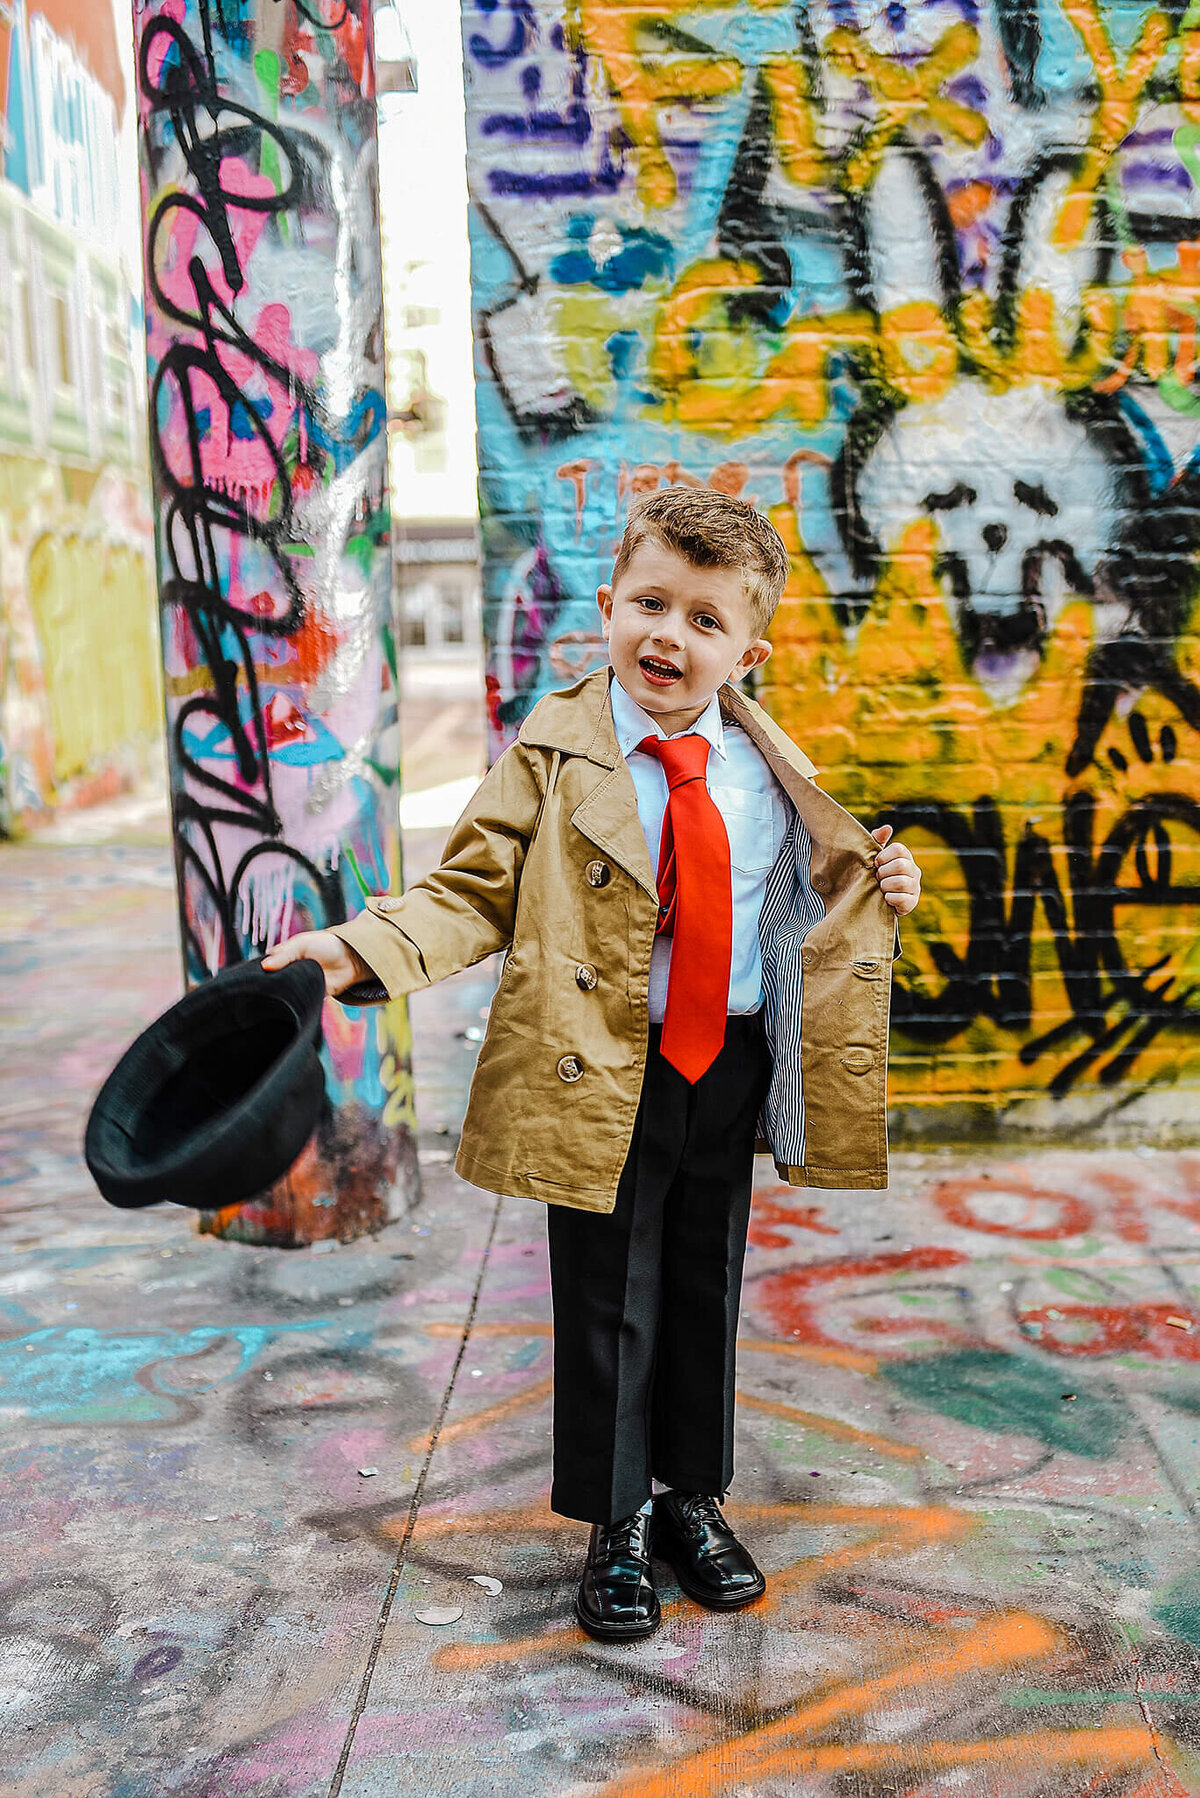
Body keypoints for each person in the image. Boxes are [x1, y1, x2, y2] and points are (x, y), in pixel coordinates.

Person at [264, 487, 922, 1642]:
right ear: (608, 605)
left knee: (707, 1283)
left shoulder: (764, 758)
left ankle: (690, 1501)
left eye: (704, 620)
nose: (669, 636)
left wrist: (883, 886)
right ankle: (614, 1523)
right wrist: (352, 951)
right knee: (611, 1297)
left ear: (746, 652)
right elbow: (467, 894)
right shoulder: (554, 755)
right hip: (601, 1072)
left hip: (729, 1059)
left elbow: (814, 889)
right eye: (651, 604)